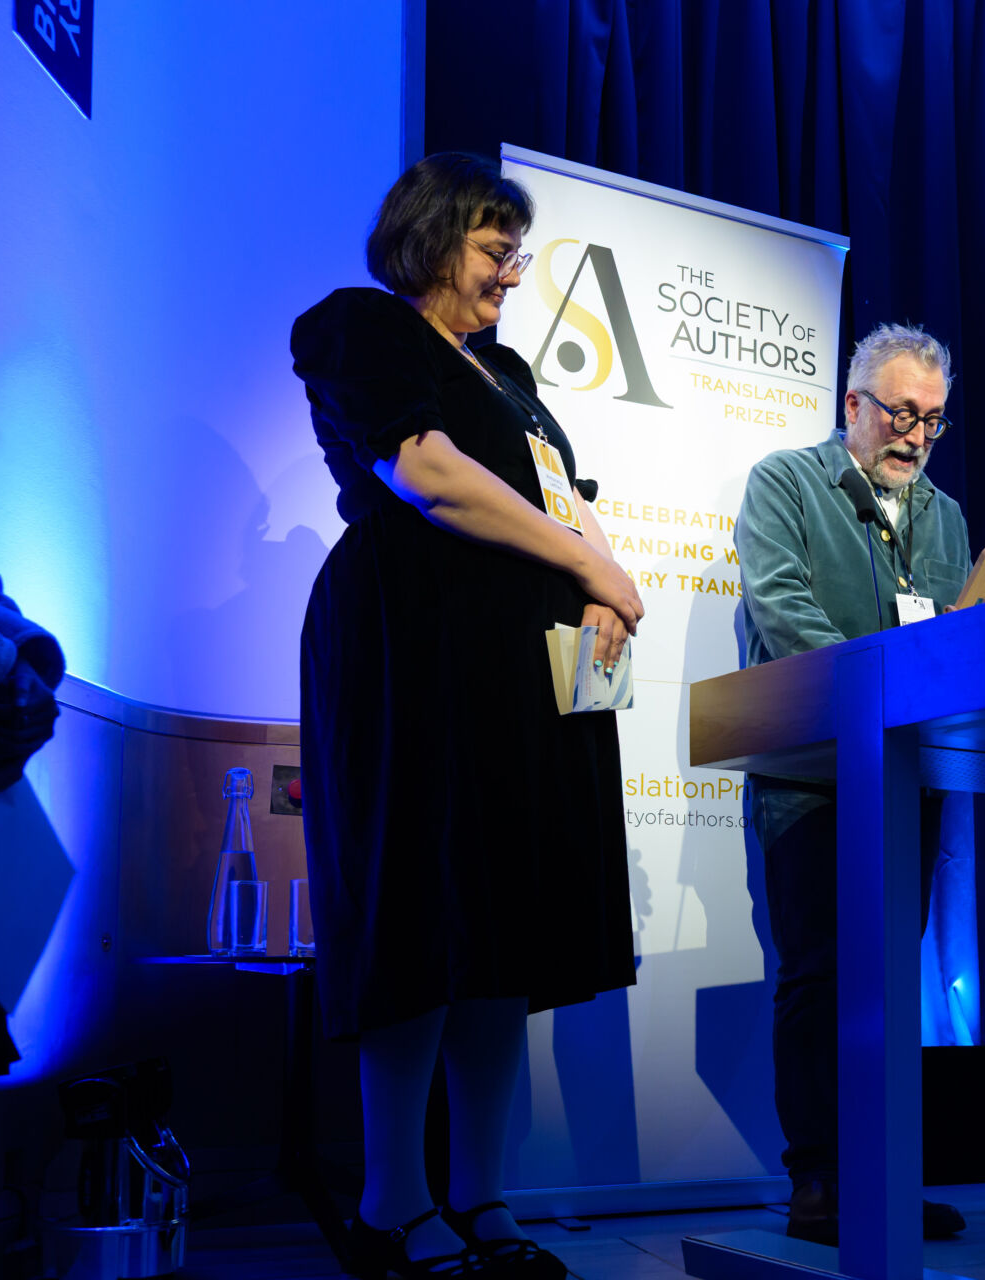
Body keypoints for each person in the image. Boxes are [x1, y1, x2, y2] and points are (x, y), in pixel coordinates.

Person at [291, 152, 642, 1280]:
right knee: (420, 914)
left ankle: (484, 1196)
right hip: (412, 644)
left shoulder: (509, 372)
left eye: (517, 254)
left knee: (503, 932)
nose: (512, 274)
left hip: (518, 669)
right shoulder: (361, 327)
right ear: (433, 237)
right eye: (498, 251)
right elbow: (429, 476)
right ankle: (394, 1201)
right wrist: (598, 569)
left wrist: (606, 582)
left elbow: (560, 500)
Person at [734, 324, 972, 1246]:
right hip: (812, 771)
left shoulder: (944, 515)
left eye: (933, 420)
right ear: (853, 407)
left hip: (907, 778)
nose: (914, 435)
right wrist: (881, 694)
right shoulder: (786, 482)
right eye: (901, 413)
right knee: (820, 977)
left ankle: (883, 1173)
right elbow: (782, 607)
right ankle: (819, 1184)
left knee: (885, 985)